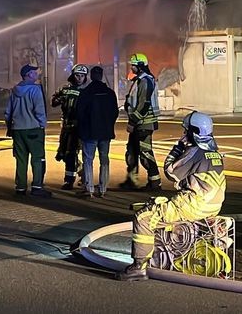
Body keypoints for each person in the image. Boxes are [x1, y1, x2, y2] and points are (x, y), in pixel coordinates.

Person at [119, 111, 225, 282]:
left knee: (144, 217)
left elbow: (171, 172)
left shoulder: (194, 152)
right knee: (164, 209)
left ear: (193, 131)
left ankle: (139, 266)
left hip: (194, 204)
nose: (184, 134)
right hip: (213, 205)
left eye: (186, 131)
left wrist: (177, 149)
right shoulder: (215, 153)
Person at [5, 64, 52, 198]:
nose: (37, 74)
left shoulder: (14, 90)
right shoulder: (35, 90)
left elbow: (8, 112)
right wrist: (42, 124)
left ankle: (20, 187)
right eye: (35, 72)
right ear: (29, 74)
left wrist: (10, 127)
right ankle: (37, 186)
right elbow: (39, 110)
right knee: (37, 158)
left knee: (21, 159)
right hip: (33, 129)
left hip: (17, 129)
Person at [119, 52, 162, 191]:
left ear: (140, 66)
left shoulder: (145, 81)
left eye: (133, 65)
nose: (131, 68)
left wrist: (133, 122)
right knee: (131, 151)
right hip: (139, 123)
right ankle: (131, 180)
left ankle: (154, 182)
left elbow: (144, 104)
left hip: (144, 123)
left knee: (145, 152)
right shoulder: (139, 80)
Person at [74, 65, 118, 199]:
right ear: (102, 76)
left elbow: (79, 114)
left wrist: (82, 131)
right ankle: (103, 188)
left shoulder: (86, 93)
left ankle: (89, 188)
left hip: (90, 132)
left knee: (88, 160)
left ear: (91, 76)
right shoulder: (110, 93)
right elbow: (115, 112)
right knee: (104, 160)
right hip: (105, 132)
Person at [51, 64, 88, 190]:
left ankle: (69, 181)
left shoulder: (86, 91)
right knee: (62, 154)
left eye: (82, 76)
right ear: (73, 75)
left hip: (78, 128)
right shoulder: (65, 88)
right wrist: (60, 98)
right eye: (77, 75)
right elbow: (53, 102)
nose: (79, 78)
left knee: (71, 153)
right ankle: (82, 172)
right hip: (66, 126)